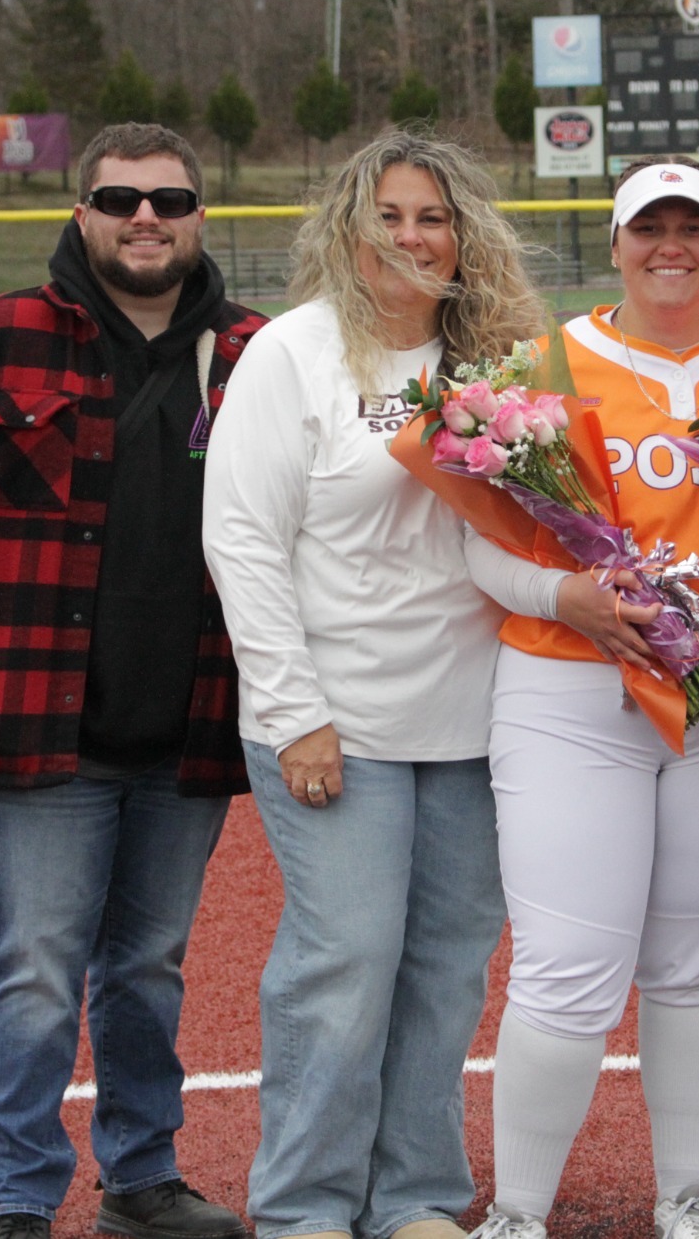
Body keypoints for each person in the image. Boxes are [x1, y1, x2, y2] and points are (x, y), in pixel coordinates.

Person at [0, 123, 267, 1239]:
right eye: (122, 197)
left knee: (147, 971)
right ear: (82, 209)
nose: (149, 217)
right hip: (32, 734)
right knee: (37, 970)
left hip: (188, 727)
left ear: (201, 213)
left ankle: (139, 1180)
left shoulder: (253, 354)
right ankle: (19, 1201)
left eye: (172, 199)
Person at [201, 132, 539, 1239]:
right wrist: (294, 713)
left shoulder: (497, 356)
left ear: (463, 232)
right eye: (388, 215)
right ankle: (302, 1206)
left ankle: (414, 1197)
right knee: (344, 962)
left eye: (431, 216)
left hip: (477, 721)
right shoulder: (293, 353)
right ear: (349, 228)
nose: (410, 236)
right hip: (334, 719)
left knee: (444, 970)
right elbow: (242, 541)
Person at [460, 157, 699, 1239]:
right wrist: (568, 592)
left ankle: (687, 1197)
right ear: (613, 244)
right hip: (570, 685)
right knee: (565, 968)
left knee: (698, 962)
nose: (670, 246)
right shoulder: (544, 359)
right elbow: (480, 543)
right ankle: (516, 1213)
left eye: (691, 226)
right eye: (648, 226)